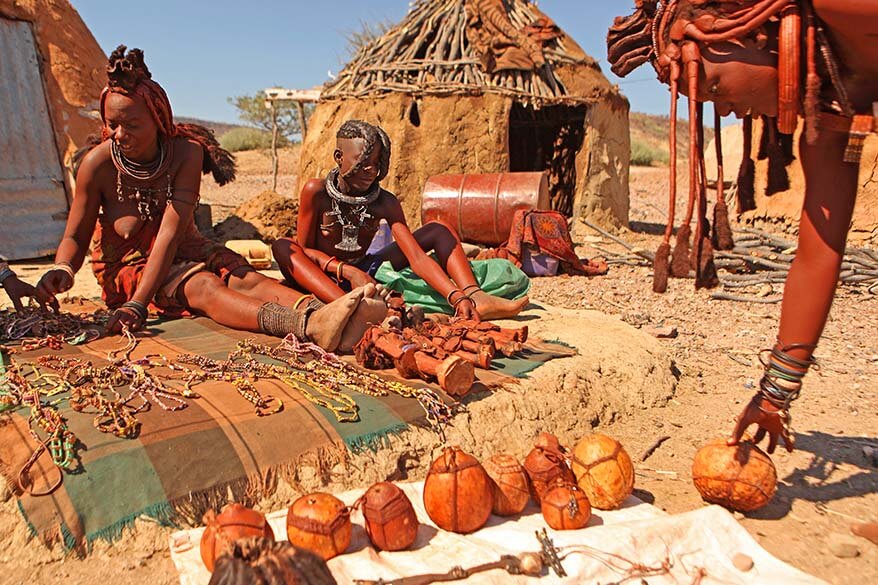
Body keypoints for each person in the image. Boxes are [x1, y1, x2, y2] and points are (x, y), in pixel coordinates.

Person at [607, 0, 877, 453]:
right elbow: (819, 252)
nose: (727, 112)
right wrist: (774, 396)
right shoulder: (830, 115)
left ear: (750, 35)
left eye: (712, 88)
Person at [34, 46, 382, 353]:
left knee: (247, 279)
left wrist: (141, 304)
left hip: (185, 248)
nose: (119, 135)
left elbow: (171, 234)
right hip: (128, 269)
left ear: (158, 120)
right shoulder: (98, 165)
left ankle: (340, 314)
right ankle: (309, 326)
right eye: (112, 125)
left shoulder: (185, 154)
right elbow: (75, 236)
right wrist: (64, 268)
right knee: (203, 286)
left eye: (132, 125)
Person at [272, 119, 529, 327]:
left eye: (375, 164)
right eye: (361, 163)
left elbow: (416, 257)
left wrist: (456, 296)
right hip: (323, 276)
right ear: (339, 157)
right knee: (283, 246)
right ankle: (350, 307)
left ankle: (475, 297)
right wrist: (347, 272)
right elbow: (303, 250)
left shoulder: (384, 202)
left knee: (438, 230)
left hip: (366, 270)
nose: (370, 171)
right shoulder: (316, 192)